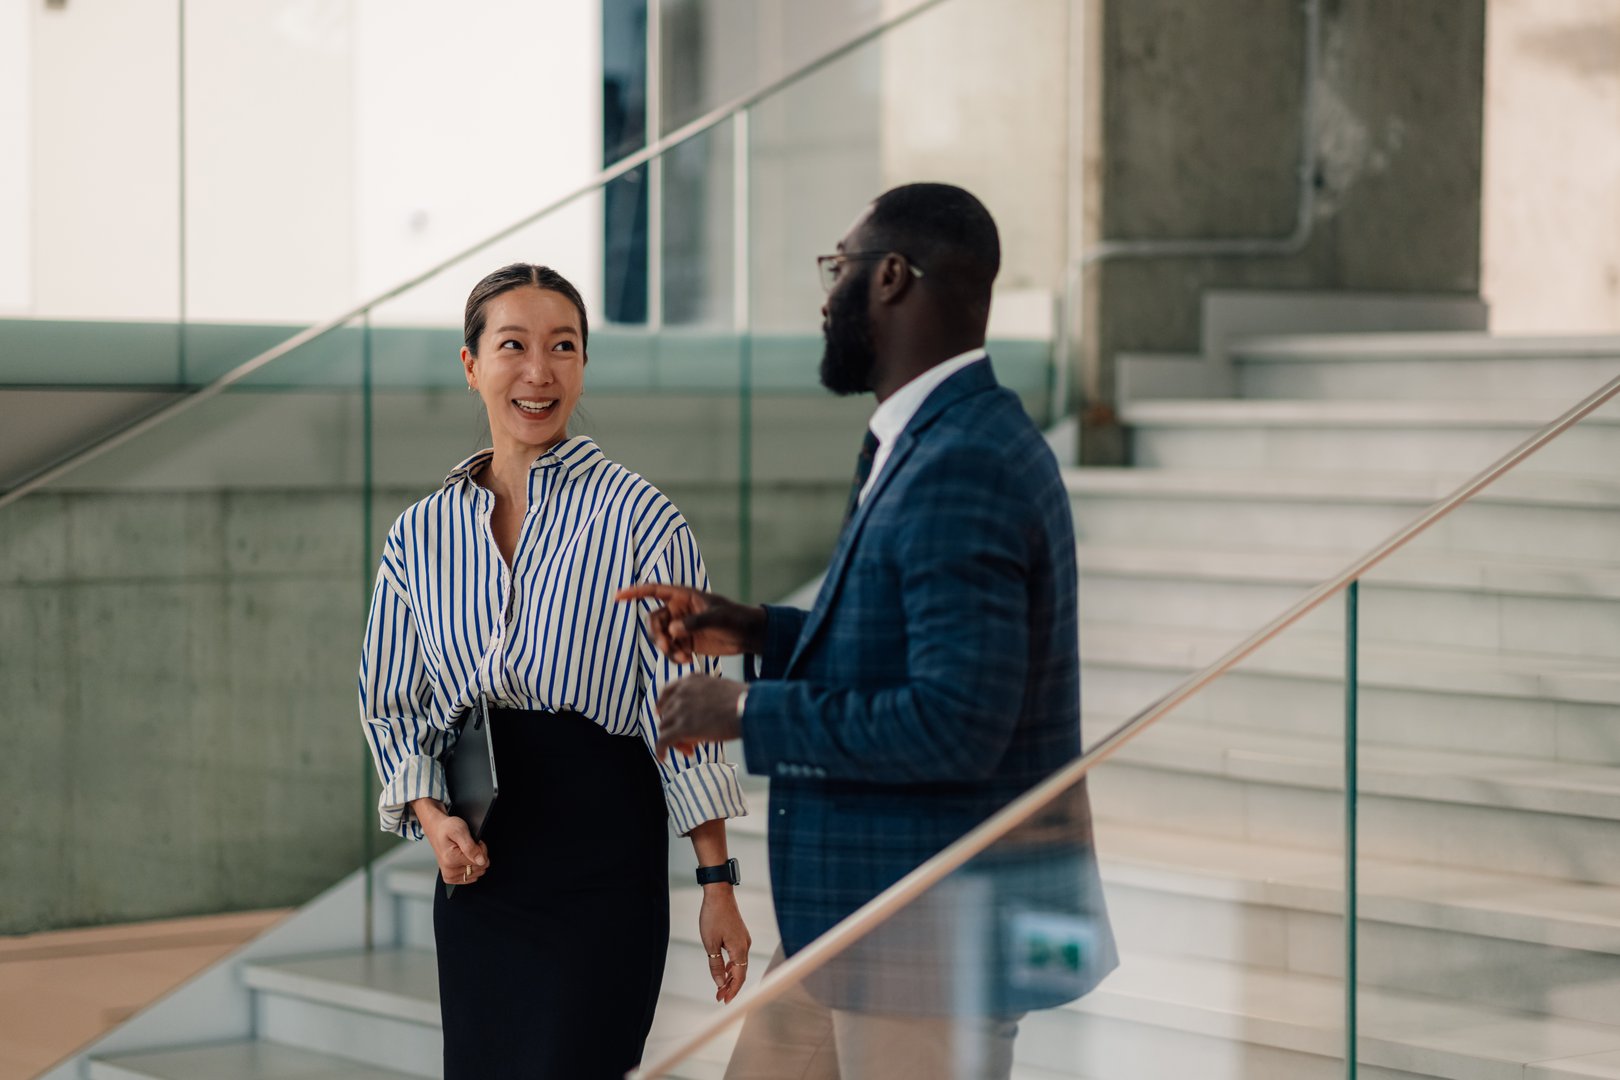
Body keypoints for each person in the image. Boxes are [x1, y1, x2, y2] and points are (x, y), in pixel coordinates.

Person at [618, 184, 1117, 1079]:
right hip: (855, 922)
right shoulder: (929, 438)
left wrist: (744, 712)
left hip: (927, 943)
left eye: (836, 267)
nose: (825, 296)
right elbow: (909, 642)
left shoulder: (963, 461)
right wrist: (758, 627)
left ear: (891, 278)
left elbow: (955, 721)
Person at [358, 263, 753, 1080]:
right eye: (514, 346)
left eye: (563, 347)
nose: (539, 372)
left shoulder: (641, 516)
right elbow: (392, 703)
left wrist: (717, 881)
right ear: (471, 365)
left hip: (603, 858)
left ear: (582, 365)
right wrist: (435, 821)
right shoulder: (419, 535)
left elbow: (685, 714)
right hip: (481, 865)